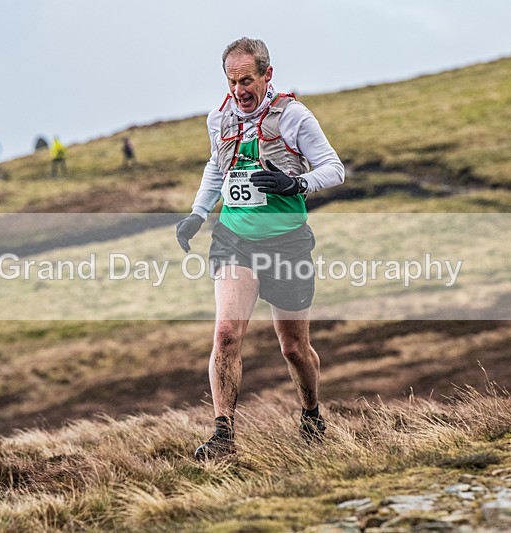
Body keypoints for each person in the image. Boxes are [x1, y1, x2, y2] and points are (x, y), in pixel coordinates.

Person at [176, 37, 345, 460]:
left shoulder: (295, 117)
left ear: (267, 75)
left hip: (287, 243)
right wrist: (198, 213)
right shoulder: (220, 119)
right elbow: (216, 166)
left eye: (246, 80)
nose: (239, 90)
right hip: (235, 240)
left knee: (293, 347)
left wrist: (297, 183)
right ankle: (223, 436)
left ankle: (311, 415)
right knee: (227, 334)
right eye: (232, 81)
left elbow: (334, 169)